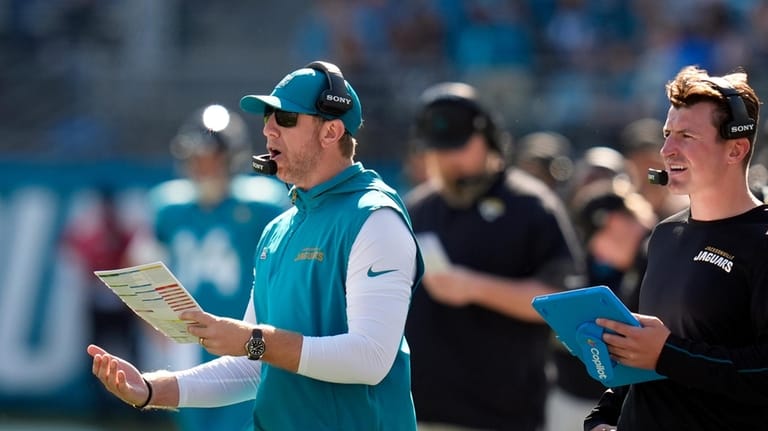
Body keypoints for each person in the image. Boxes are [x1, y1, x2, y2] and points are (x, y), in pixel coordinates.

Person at [87, 60, 425, 431]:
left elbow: (370, 359)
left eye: (286, 119)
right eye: (267, 119)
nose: (268, 131)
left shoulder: (375, 217)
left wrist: (252, 340)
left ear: (331, 131)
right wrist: (153, 388)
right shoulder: (279, 228)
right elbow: (252, 366)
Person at [584, 65, 768, 430]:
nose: (667, 150)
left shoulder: (761, 242)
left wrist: (668, 353)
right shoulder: (664, 235)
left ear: (736, 149)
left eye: (686, 136)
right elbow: (639, 349)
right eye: (667, 134)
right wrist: (603, 417)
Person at [403, 82, 585, 431]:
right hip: (421, 410)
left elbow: (563, 301)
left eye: (457, 146)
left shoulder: (532, 205)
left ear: (488, 138)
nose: (447, 158)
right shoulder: (417, 208)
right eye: (438, 149)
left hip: (502, 413)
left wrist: (475, 288)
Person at [125, 104, 289, 431]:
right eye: (197, 158)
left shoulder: (262, 204)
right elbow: (139, 261)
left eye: (212, 157)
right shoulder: (168, 206)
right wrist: (152, 320)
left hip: (243, 335)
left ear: (231, 159)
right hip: (191, 339)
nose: (204, 167)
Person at [545, 179, 655, 431]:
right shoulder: (650, 253)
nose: (598, 253)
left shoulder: (653, 252)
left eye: (596, 242)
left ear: (613, 223)